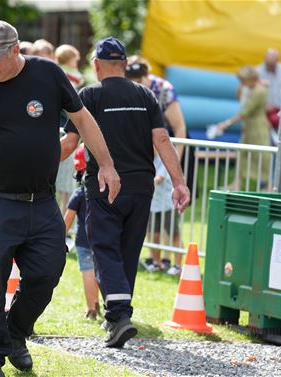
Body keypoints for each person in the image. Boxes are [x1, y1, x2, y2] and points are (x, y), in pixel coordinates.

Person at [0, 20, 120, 377]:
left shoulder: (48, 75)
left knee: (47, 273)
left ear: (15, 50)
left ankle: (15, 332)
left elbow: (83, 120)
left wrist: (108, 165)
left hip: (41, 202)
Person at [61, 37, 190, 348]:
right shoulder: (145, 95)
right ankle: (118, 316)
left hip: (105, 187)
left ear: (96, 64)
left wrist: (33, 166)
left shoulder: (88, 95)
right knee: (128, 252)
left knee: (104, 247)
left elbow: (68, 144)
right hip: (141, 188)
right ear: (124, 64)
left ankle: (119, 315)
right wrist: (179, 182)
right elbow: (162, 140)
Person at [212, 66, 271, 190]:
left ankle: (267, 185)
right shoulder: (250, 88)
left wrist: (226, 123)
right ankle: (237, 183)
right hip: (249, 127)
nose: (242, 83)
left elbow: (245, 112)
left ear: (250, 79)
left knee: (262, 156)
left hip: (258, 128)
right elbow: (240, 98)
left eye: (243, 80)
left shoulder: (259, 91)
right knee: (242, 154)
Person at [63, 145, 101, 320]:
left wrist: (60, 237)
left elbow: (68, 218)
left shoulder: (79, 194)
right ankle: (104, 304)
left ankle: (91, 309)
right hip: (102, 239)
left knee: (88, 273)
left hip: (83, 240)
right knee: (103, 272)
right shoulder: (104, 192)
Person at [54, 44, 84, 213]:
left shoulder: (57, 74)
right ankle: (64, 223)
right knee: (66, 186)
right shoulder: (69, 78)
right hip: (65, 131)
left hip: (61, 131)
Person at [144, 150, 183, 276]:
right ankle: (156, 262)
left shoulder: (164, 157)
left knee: (174, 234)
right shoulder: (146, 155)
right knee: (153, 234)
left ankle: (178, 265)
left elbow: (159, 178)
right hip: (152, 204)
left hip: (167, 203)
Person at [257, 48, 281, 143]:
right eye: (268, 64)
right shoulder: (257, 72)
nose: (270, 67)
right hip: (264, 113)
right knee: (266, 141)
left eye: (272, 64)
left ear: (277, 61)